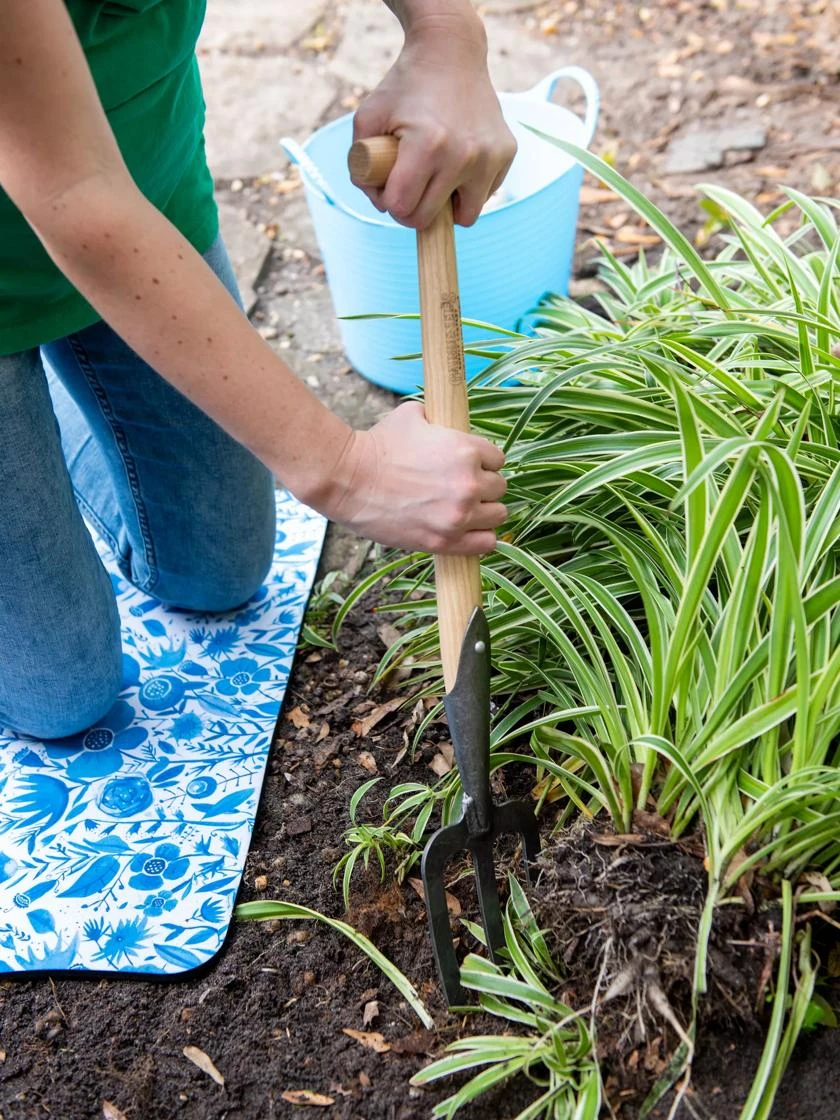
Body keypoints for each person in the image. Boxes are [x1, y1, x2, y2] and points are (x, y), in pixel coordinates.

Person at [0, 0, 516, 740]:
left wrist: (446, 36)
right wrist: (347, 470)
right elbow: (73, 198)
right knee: (62, 693)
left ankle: (47, 402)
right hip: (79, 207)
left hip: (140, 204)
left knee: (217, 571)